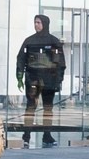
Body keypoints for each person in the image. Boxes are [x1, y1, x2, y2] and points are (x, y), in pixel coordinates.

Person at [16, 14, 66, 148]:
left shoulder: (53, 41)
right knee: (31, 107)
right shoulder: (29, 41)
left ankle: (47, 135)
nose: (36, 25)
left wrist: (59, 79)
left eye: (38, 22)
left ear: (45, 23)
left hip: (49, 80)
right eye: (35, 22)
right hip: (33, 78)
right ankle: (26, 135)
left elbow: (60, 63)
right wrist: (19, 75)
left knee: (48, 108)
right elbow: (21, 57)